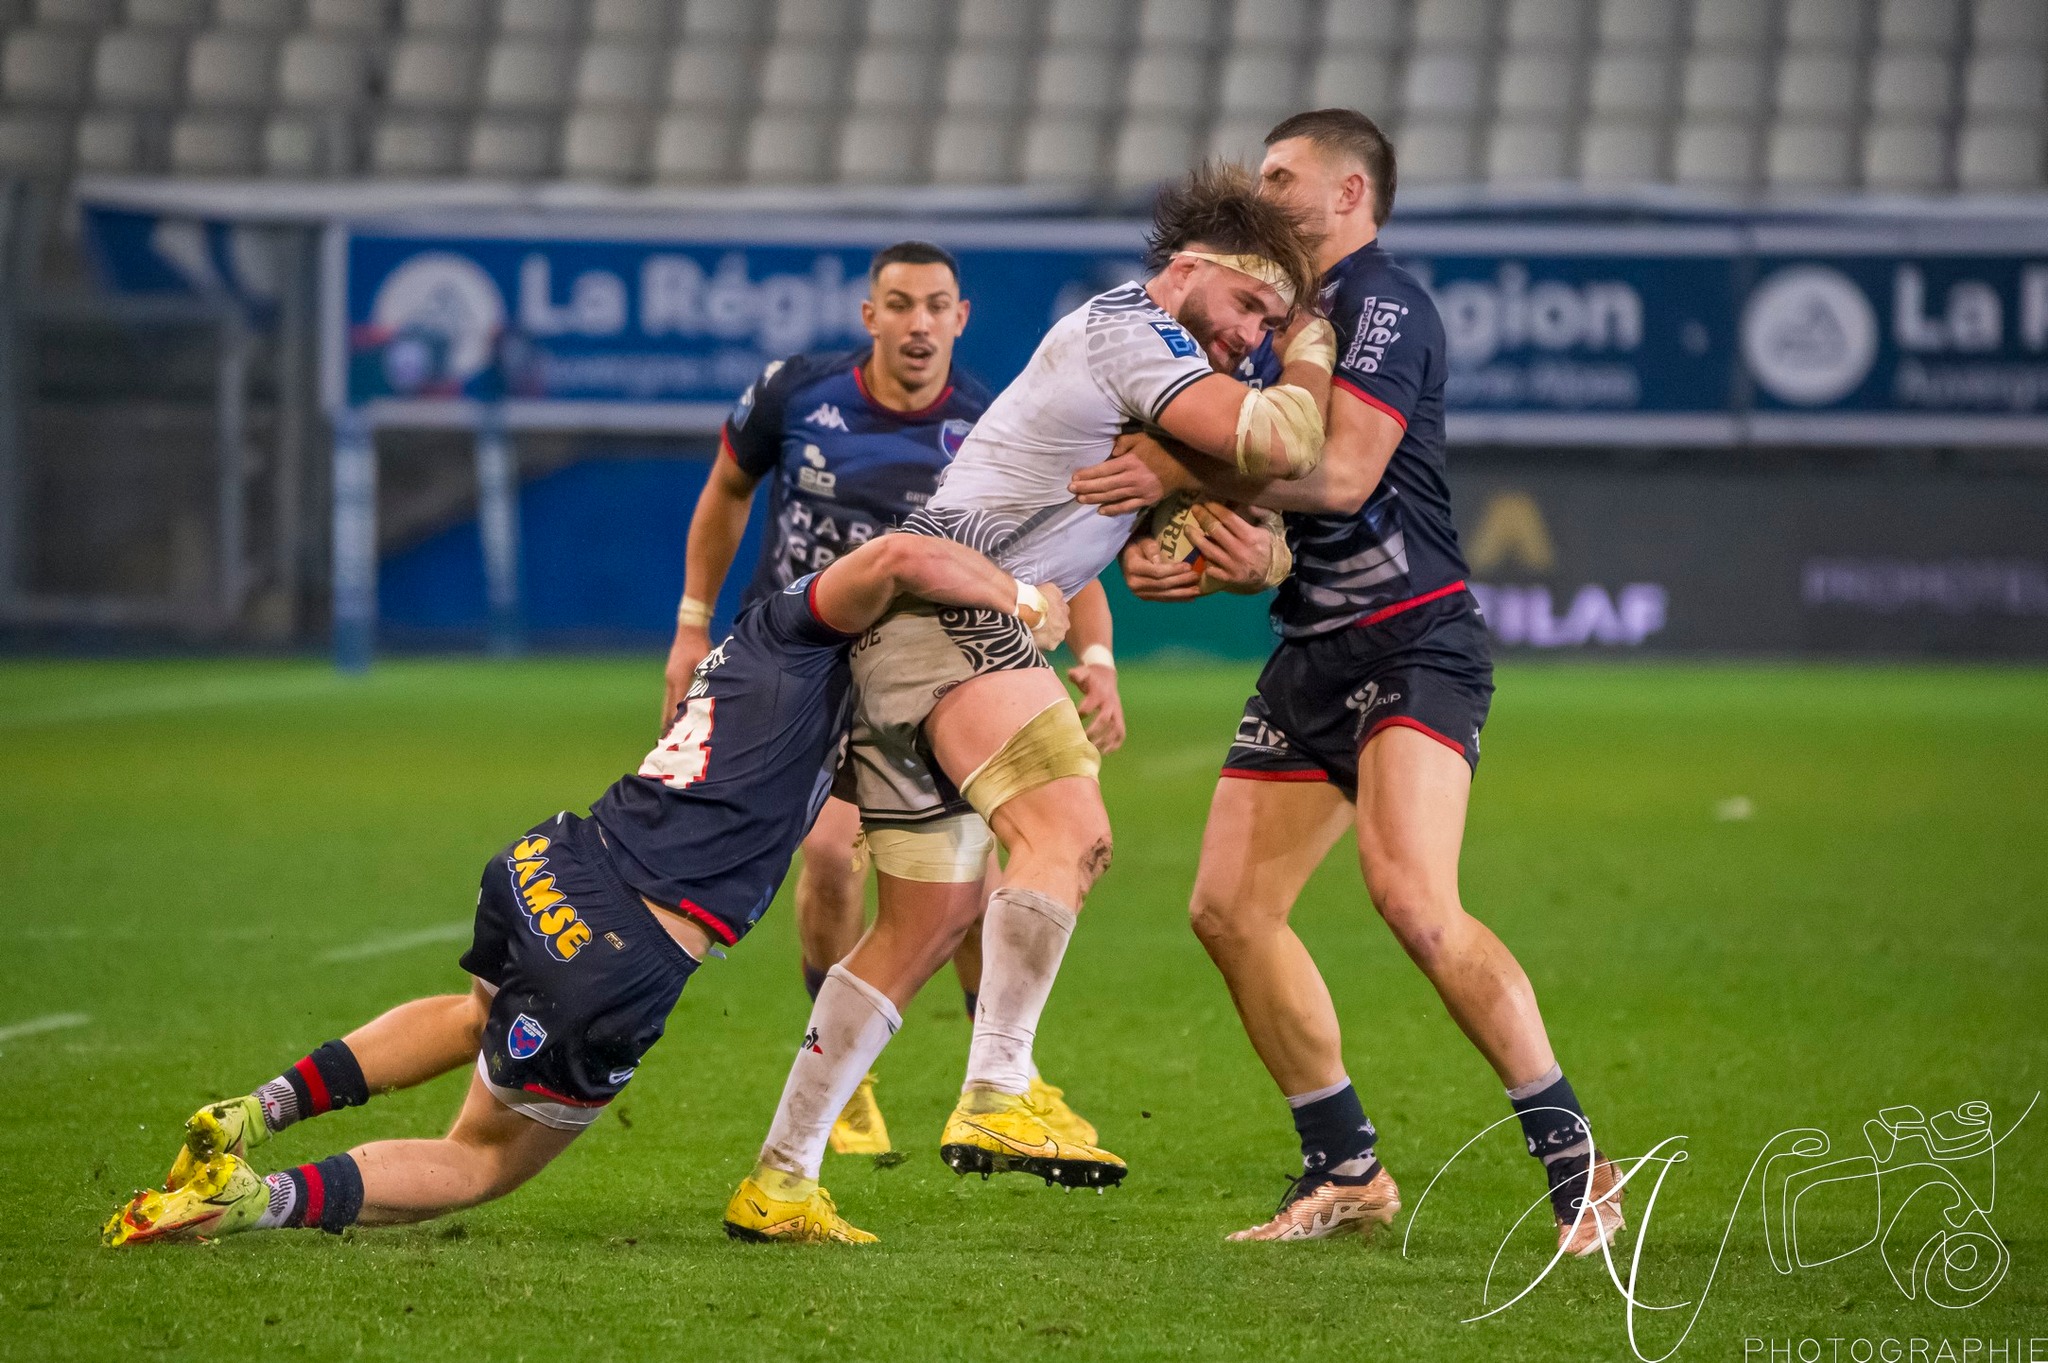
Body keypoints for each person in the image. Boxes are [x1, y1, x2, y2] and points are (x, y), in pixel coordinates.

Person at [103, 533, 1070, 1248]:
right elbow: (900, 555)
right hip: (620, 950)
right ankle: (248, 1200)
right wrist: (1021, 599)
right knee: (482, 1157)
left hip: (552, 864)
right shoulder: (806, 624)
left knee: (471, 1009)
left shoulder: (769, 664)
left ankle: (252, 1111)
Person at [723, 162, 1332, 1243]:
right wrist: (1317, 343)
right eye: (1251, 308)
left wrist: (1193, 523)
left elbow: (1214, 495)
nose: (1255, 336)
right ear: (1188, 272)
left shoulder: (1157, 361)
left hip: (919, 620)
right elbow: (1279, 441)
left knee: (922, 924)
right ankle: (998, 1085)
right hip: (952, 602)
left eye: (1275, 324)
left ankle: (780, 1175)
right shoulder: (1129, 329)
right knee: (1068, 827)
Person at [1073, 110, 1626, 1253]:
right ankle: (1346, 1168)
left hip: (1413, 641)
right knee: (1227, 909)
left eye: (1281, 177)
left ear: (1349, 199)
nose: (1259, 194)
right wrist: (1216, 552)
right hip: (1311, 654)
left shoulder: (1383, 305)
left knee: (1413, 899)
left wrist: (1174, 467)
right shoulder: (1273, 329)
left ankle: (1580, 1169)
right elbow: (1276, 513)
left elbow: (1338, 475)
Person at [662, 241, 1121, 1155]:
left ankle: (1003, 1075)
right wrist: (689, 621)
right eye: (900, 305)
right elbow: (726, 492)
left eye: (936, 306)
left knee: (971, 879)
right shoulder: (796, 395)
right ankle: (851, 1064)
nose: (918, 324)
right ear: (869, 316)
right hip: (808, 667)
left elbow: (1053, 549)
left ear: (962, 317)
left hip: (935, 671)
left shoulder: (992, 422)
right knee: (833, 861)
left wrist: (1100, 655)